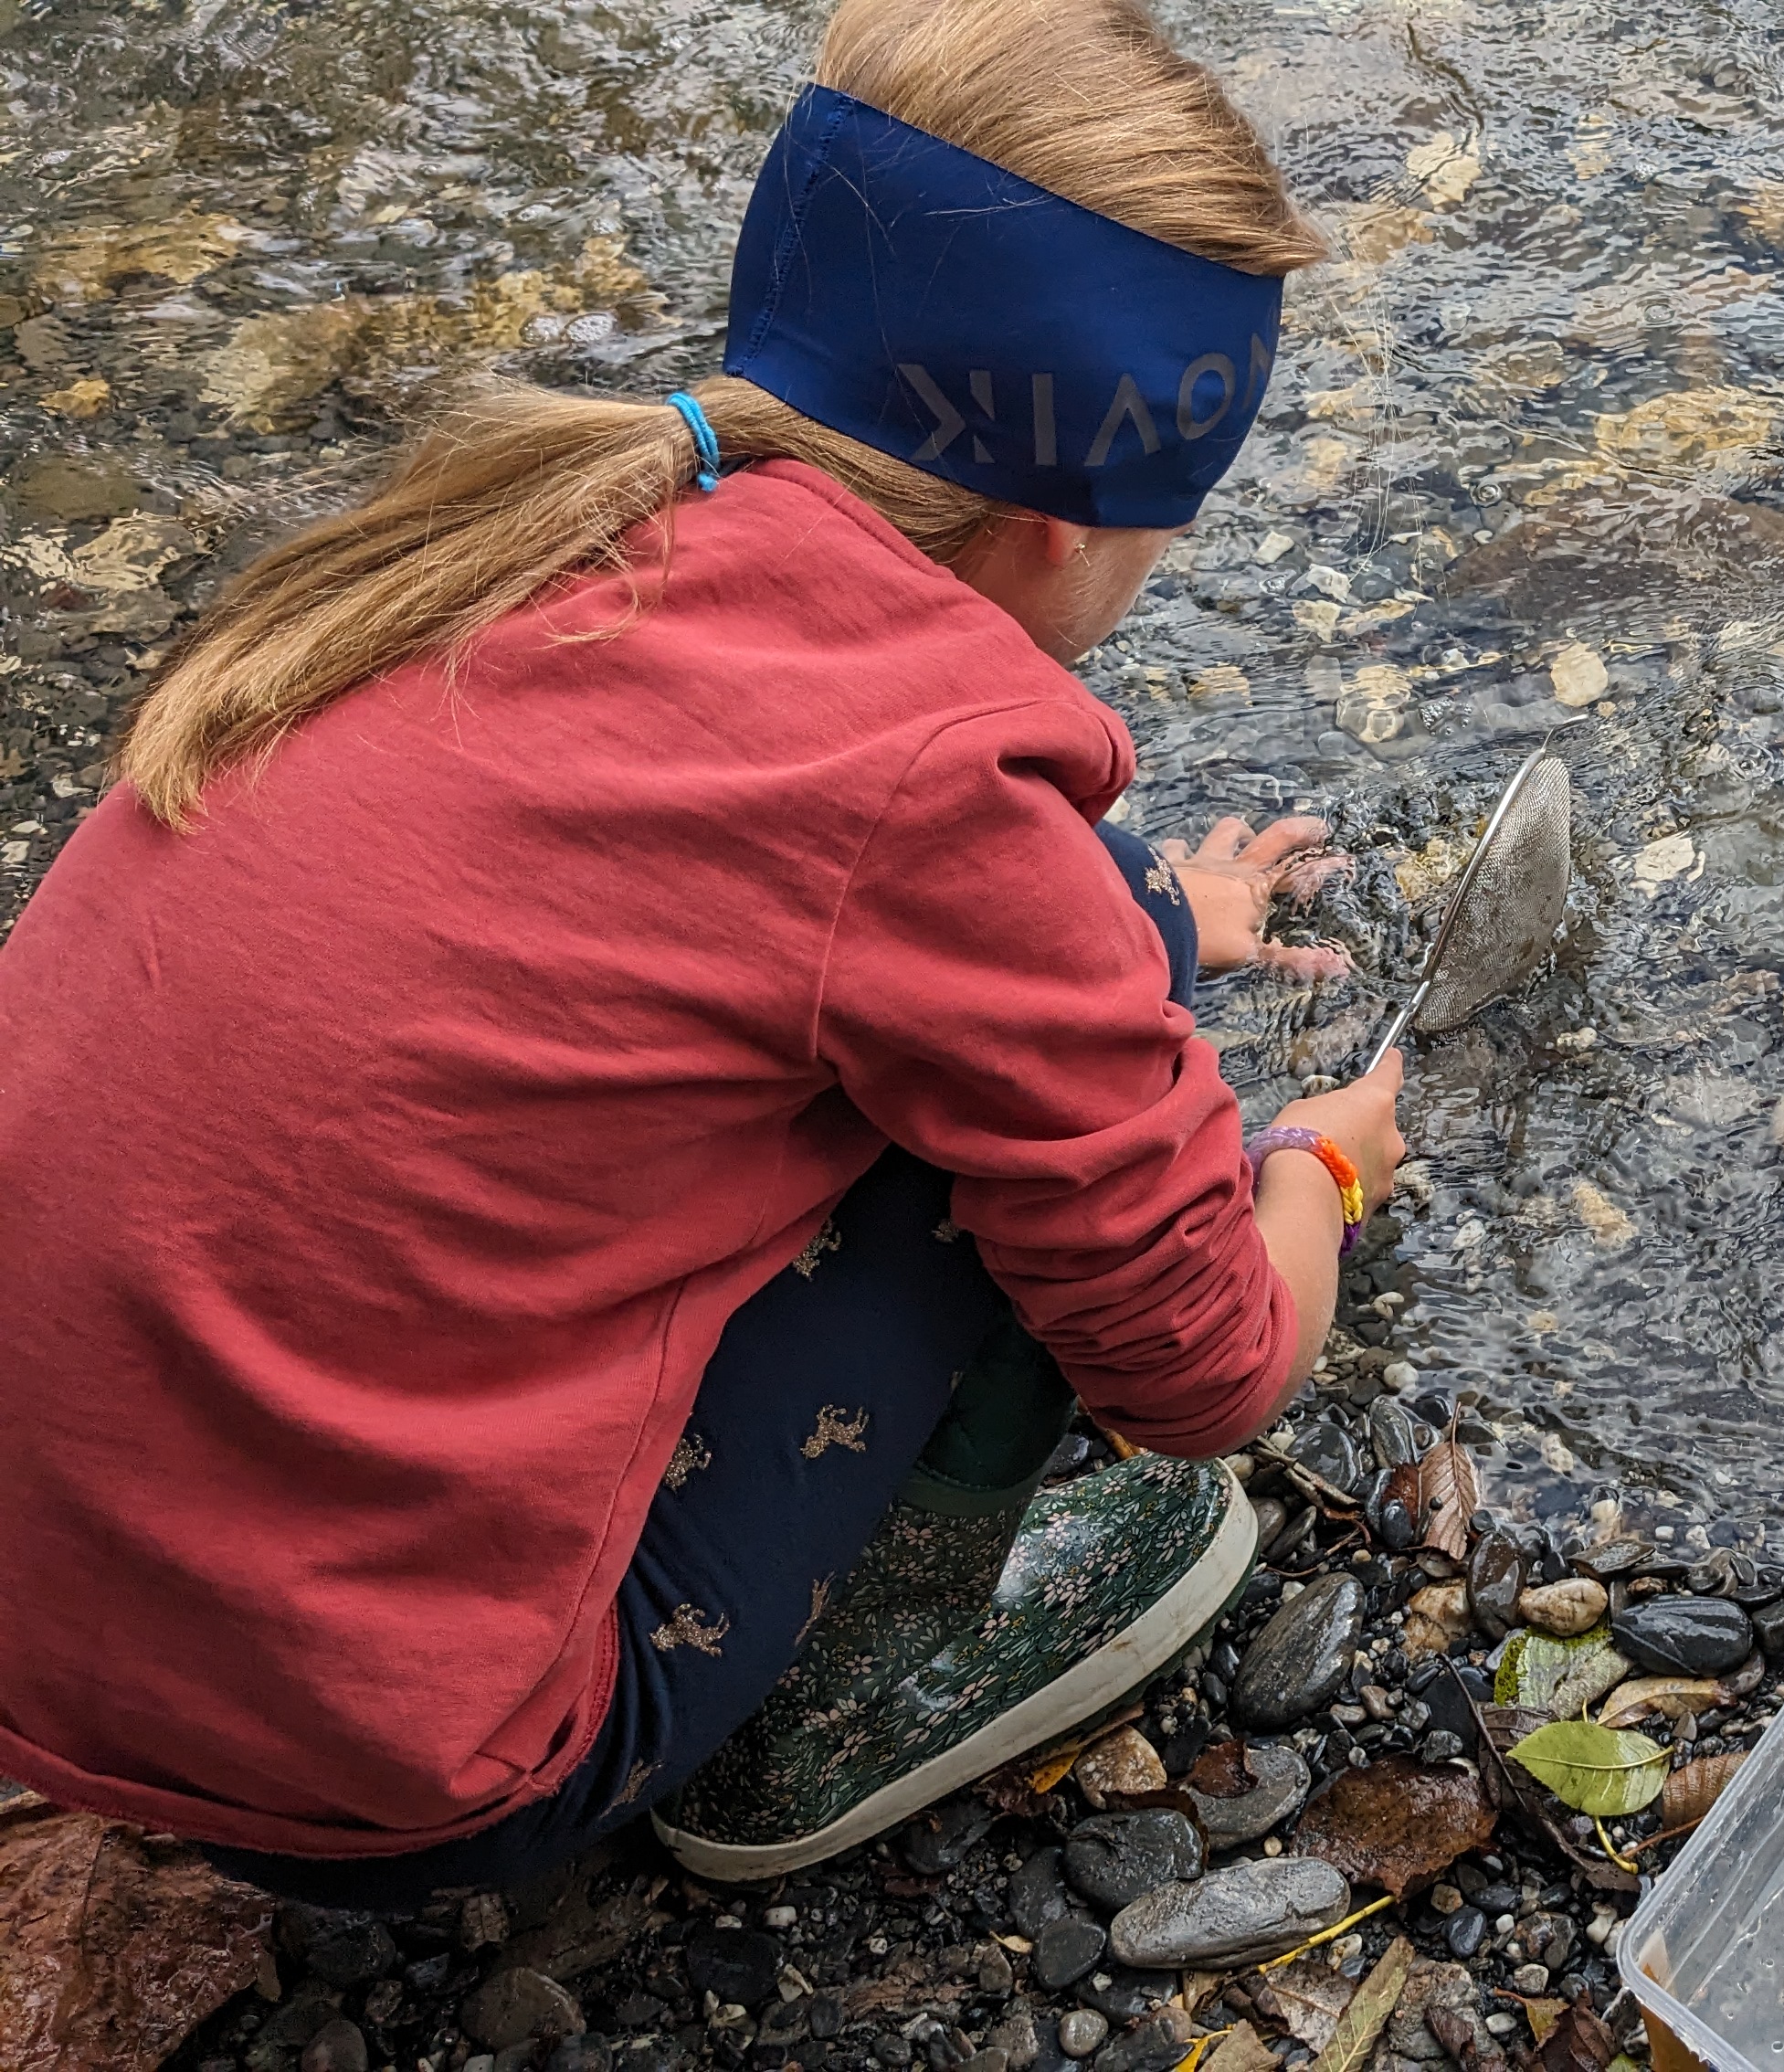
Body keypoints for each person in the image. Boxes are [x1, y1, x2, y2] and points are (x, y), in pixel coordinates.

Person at [0, 0, 1399, 1908]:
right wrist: (1315, 1169)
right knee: (1023, 1165)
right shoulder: (941, 807)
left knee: (1068, 951)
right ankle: (871, 1689)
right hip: (394, 1774)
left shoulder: (507, 542)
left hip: (44, 1633)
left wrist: (1137, 914)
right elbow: (1207, 1369)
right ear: (1074, 522)